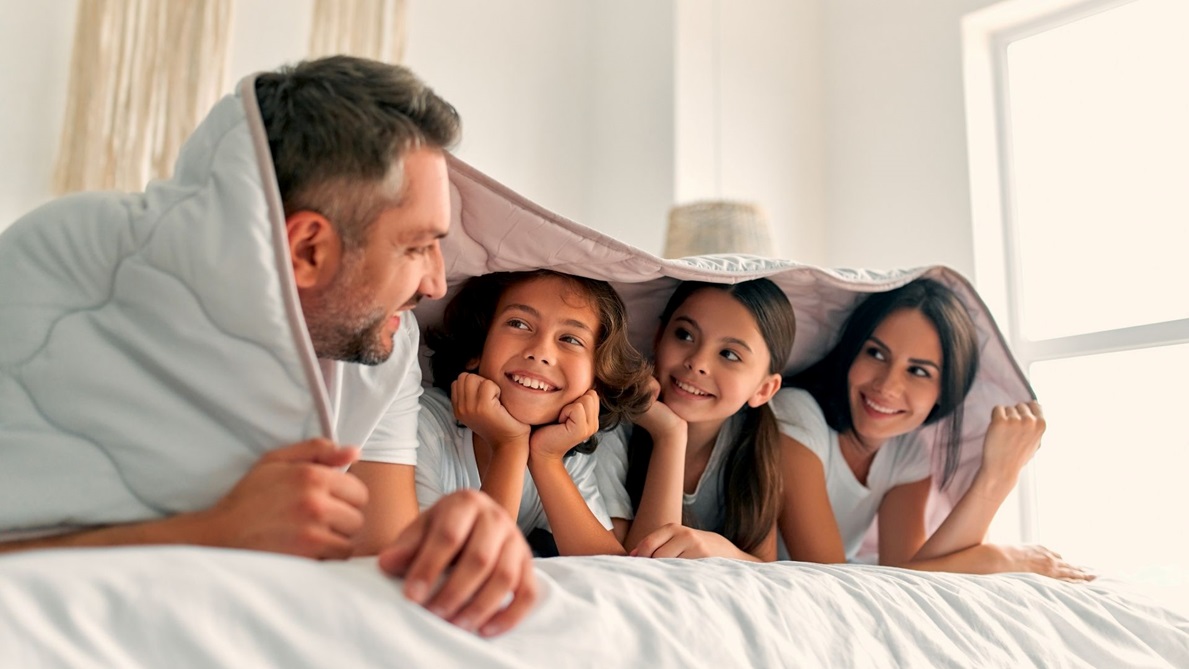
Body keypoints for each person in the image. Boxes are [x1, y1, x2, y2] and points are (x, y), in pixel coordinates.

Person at [0, 55, 537, 635]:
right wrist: (212, 533)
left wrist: (455, 536)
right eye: (415, 248)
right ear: (308, 249)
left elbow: (379, 555)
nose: (435, 283)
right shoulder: (57, 268)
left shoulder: (383, 344)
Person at [775, 277, 1092, 580]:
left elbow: (911, 574)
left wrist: (998, 476)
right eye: (876, 353)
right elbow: (832, 578)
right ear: (852, 351)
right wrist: (997, 559)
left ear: (944, 391)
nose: (887, 386)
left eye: (918, 371)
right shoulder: (797, 414)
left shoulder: (907, 451)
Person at [416, 270, 654, 556]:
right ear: (476, 348)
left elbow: (606, 568)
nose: (541, 352)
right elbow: (462, 573)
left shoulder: (565, 449)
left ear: (596, 383)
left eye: (570, 339)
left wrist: (548, 459)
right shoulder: (421, 424)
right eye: (518, 324)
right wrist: (508, 445)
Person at [594, 279, 796, 561]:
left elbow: (764, 565)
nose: (698, 362)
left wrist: (721, 550)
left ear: (764, 390)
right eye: (685, 335)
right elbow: (641, 567)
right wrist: (669, 435)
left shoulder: (752, 437)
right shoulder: (611, 430)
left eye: (729, 354)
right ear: (658, 338)